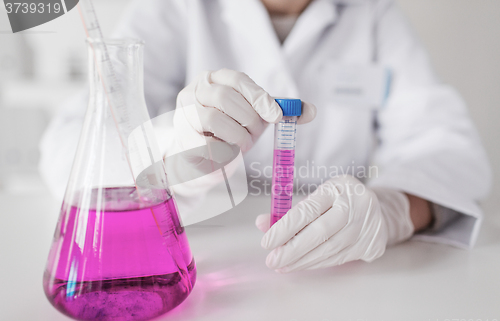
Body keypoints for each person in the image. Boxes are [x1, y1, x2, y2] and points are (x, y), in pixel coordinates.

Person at [40, 0, 491, 273]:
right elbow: (67, 148)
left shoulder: (373, 12)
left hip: (343, 266)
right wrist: (171, 152)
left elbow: (448, 148)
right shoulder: (174, 7)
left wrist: (392, 209)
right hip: (207, 252)